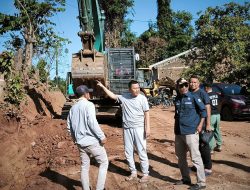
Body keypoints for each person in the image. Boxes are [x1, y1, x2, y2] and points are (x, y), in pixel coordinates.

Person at [97, 80, 150, 183]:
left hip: (139, 128)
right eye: (134, 88)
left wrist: (147, 128)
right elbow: (112, 96)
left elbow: (146, 113)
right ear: (130, 89)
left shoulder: (142, 98)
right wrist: (102, 86)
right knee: (128, 152)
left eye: (138, 88)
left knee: (141, 151)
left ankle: (145, 174)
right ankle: (133, 172)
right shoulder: (124, 97)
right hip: (127, 128)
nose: (137, 90)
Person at [67, 85, 109, 190]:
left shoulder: (73, 108)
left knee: (84, 167)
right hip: (92, 142)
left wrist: (75, 139)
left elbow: (69, 127)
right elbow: (92, 123)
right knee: (104, 163)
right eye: (88, 92)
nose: (89, 94)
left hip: (80, 143)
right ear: (85, 94)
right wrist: (102, 136)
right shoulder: (89, 105)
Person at [174, 78, 207, 190]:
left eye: (185, 85)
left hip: (191, 131)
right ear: (178, 87)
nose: (183, 87)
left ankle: (201, 182)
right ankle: (185, 178)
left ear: (188, 86)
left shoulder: (194, 97)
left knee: (195, 157)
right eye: (181, 85)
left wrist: (200, 125)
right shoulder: (177, 98)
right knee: (180, 157)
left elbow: (203, 112)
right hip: (178, 132)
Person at [189, 75, 213, 176]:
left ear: (198, 83)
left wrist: (208, 124)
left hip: (202, 124)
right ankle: (198, 165)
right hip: (193, 124)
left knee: (203, 145)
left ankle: (208, 168)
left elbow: (208, 108)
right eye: (191, 82)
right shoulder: (189, 93)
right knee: (195, 146)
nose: (193, 84)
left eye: (195, 82)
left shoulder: (203, 93)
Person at [204, 83, 222, 152]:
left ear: (206, 88)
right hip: (218, 114)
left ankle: (211, 148)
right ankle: (219, 145)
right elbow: (220, 102)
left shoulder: (206, 95)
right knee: (217, 130)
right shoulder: (216, 94)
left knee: (210, 130)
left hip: (211, 115)